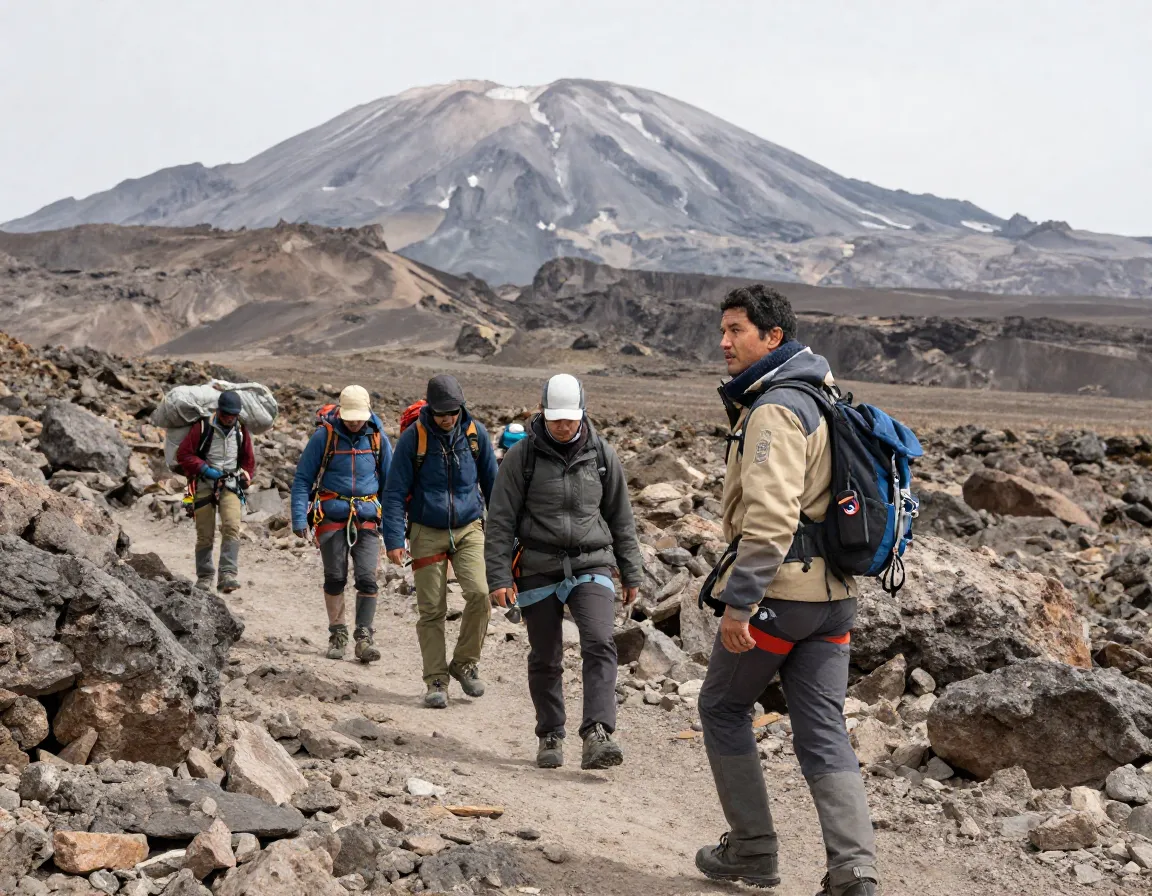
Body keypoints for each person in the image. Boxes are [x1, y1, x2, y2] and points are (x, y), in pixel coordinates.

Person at [694, 285, 877, 896]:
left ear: (773, 337)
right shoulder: (822, 394)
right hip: (834, 600)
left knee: (722, 707)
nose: (724, 341)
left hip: (782, 598)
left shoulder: (776, 408)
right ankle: (854, 871)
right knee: (822, 726)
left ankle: (752, 851)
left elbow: (771, 520)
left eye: (737, 330)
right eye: (722, 330)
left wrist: (740, 602)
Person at [485, 373, 643, 771]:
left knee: (600, 642)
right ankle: (550, 733)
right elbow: (501, 519)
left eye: (569, 419)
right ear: (543, 412)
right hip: (538, 566)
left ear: (582, 413)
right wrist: (500, 577)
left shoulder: (602, 455)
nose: (562, 426)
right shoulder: (522, 458)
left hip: (592, 562)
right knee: (545, 655)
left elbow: (621, 518)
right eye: (556, 418)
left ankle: (597, 733)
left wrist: (632, 573)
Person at [381, 374, 498, 709]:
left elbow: (494, 486)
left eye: (453, 411)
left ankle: (464, 663)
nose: (447, 418)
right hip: (426, 531)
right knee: (432, 610)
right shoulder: (413, 439)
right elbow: (393, 492)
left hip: (469, 528)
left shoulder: (476, 435)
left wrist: (507, 533)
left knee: (479, 594)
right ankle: (436, 679)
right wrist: (393, 537)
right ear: (429, 408)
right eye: (441, 413)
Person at [290, 385, 393, 663]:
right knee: (335, 577)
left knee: (367, 578)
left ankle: (364, 637)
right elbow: (302, 480)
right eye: (350, 417)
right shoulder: (325, 437)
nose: (355, 421)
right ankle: (338, 633)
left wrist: (394, 525)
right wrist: (299, 517)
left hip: (368, 517)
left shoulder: (378, 439)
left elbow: (391, 485)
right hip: (332, 517)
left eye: (358, 416)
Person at [177, 389, 255, 593]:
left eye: (233, 415)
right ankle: (205, 576)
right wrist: (205, 469)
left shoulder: (241, 430)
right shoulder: (202, 427)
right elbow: (183, 454)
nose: (229, 419)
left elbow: (248, 460)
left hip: (230, 484)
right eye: (226, 415)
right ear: (218, 411)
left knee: (231, 526)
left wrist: (247, 476)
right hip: (203, 484)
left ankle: (227, 574)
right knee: (205, 533)